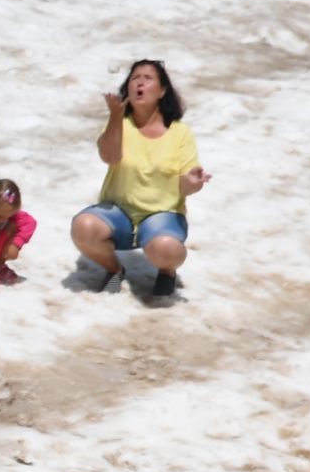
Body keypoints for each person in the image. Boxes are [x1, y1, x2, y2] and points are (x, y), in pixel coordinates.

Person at [72, 60, 213, 297]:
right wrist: (115, 117)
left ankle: (167, 272)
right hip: (118, 213)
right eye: (135, 78)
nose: (140, 83)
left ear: (162, 90)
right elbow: (109, 156)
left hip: (162, 215)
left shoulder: (179, 132)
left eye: (148, 78)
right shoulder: (120, 125)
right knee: (83, 226)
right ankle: (114, 270)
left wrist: (192, 180)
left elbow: (185, 186)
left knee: (166, 249)